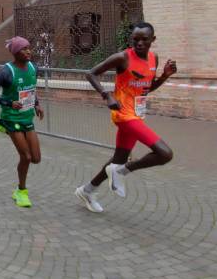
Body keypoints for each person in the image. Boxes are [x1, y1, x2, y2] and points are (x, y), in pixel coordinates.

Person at [75, 22, 177, 213]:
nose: (139, 43)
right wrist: (107, 95)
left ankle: (87, 190)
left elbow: (146, 89)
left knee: (118, 158)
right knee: (165, 154)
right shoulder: (122, 57)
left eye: (144, 40)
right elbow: (91, 74)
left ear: (152, 40)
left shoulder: (154, 59)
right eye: (135, 39)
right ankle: (121, 171)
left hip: (137, 113)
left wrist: (164, 76)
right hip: (123, 114)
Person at [0, 37, 45, 208]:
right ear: (15, 52)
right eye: (23, 49)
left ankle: (0, 124)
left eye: (29, 48)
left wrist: (37, 104)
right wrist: (9, 103)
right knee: (25, 157)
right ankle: (21, 191)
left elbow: (31, 88)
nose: (28, 52)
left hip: (27, 117)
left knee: (36, 158)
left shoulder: (34, 68)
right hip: (12, 117)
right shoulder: (6, 72)